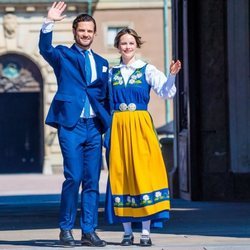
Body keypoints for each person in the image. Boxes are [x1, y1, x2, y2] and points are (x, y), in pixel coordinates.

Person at [38, 1, 111, 247]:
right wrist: (48, 22)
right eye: (82, 30)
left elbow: (104, 95)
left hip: (94, 127)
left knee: (92, 180)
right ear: (75, 32)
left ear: (94, 33)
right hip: (72, 124)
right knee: (74, 176)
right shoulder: (62, 55)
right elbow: (44, 48)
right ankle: (66, 229)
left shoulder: (102, 62)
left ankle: (89, 231)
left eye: (90, 31)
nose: (86, 34)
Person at [105, 27, 181, 247]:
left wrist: (172, 75)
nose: (127, 47)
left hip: (141, 126)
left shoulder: (147, 70)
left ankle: (146, 233)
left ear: (136, 45)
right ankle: (127, 232)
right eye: (123, 43)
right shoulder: (111, 73)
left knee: (144, 175)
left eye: (130, 43)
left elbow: (166, 93)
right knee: (122, 174)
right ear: (117, 46)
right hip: (118, 126)